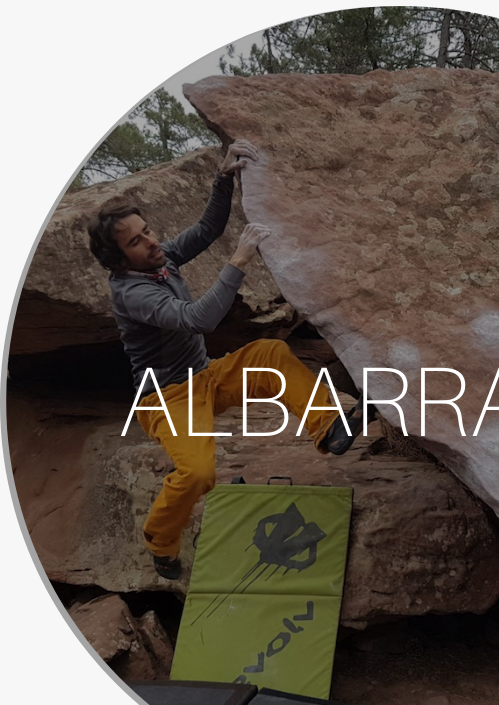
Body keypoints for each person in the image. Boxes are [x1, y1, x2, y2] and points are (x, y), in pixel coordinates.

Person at [87, 139, 368, 580]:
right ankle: (160, 540)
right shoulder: (132, 293)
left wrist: (222, 179)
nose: (151, 242)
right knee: (199, 473)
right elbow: (198, 319)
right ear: (118, 260)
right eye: (136, 242)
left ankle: (329, 427)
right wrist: (238, 261)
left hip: (206, 377)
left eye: (148, 231)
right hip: (167, 400)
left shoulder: (160, 261)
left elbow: (206, 230)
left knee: (270, 353)